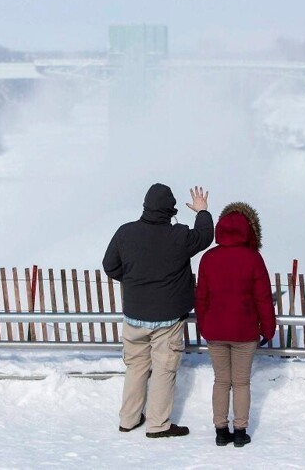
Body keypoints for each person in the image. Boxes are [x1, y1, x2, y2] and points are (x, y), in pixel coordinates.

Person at [103, 183, 213, 438]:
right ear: (170, 210)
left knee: (136, 367)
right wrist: (202, 211)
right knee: (164, 369)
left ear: (145, 206)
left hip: (134, 316)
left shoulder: (125, 233)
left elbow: (110, 266)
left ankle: (128, 419)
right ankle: (158, 424)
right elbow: (206, 236)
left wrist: (133, 280)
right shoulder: (179, 236)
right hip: (168, 318)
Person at [195, 202, 276, 448]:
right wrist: (268, 328)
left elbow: (201, 297)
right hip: (245, 331)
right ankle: (240, 431)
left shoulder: (208, 258)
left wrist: (203, 325)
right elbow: (263, 297)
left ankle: (221, 430)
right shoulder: (253, 258)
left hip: (215, 330)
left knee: (221, 381)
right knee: (241, 382)